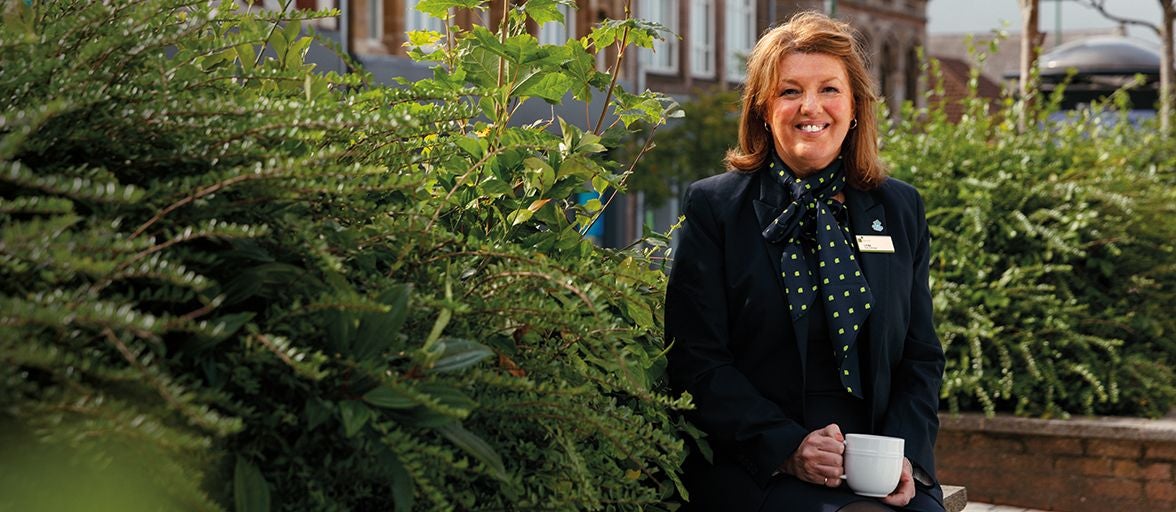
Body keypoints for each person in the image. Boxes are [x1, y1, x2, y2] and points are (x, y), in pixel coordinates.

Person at [665, 11, 946, 512]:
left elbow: (920, 355)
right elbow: (696, 359)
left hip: (878, 460)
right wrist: (788, 447)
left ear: (856, 105)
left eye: (829, 90)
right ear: (762, 109)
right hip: (759, 463)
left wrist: (906, 458)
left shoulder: (900, 209)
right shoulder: (715, 208)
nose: (810, 107)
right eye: (789, 91)